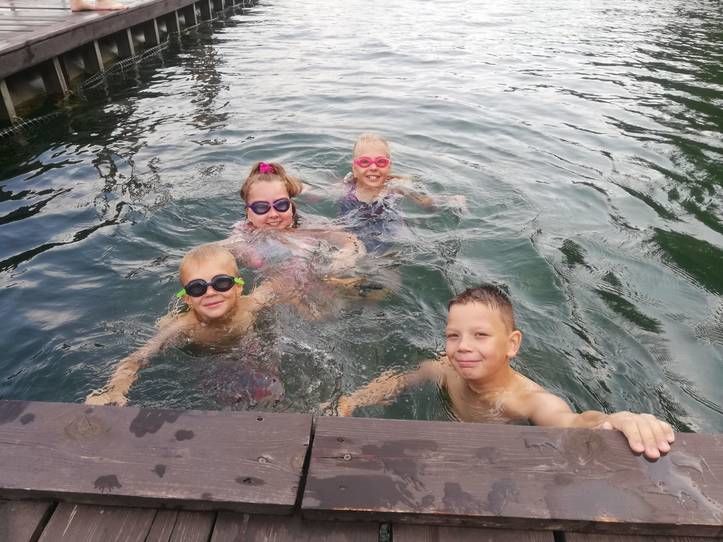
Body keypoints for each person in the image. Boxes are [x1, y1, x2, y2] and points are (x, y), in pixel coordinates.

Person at [331, 283, 675, 460]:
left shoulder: (525, 400)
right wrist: (352, 400)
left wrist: (616, 420)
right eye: (453, 336)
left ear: (512, 344)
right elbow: (402, 379)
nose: (463, 347)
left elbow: (570, 422)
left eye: (480, 335)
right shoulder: (446, 369)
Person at [85, 245, 284, 406]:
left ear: (238, 287)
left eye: (221, 283)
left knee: (271, 382)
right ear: (188, 298)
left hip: (247, 346)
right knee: (227, 395)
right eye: (197, 288)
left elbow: (277, 284)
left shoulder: (251, 304)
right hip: (207, 359)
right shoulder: (184, 326)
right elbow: (139, 357)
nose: (210, 292)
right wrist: (114, 390)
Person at [340, 133, 465, 252]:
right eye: (365, 162)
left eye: (381, 162)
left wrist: (448, 200)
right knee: (348, 251)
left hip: (391, 234)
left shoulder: (395, 187)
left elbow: (425, 202)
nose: (373, 167)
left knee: (391, 259)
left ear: (389, 167)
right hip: (352, 234)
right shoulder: (346, 188)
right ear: (354, 168)